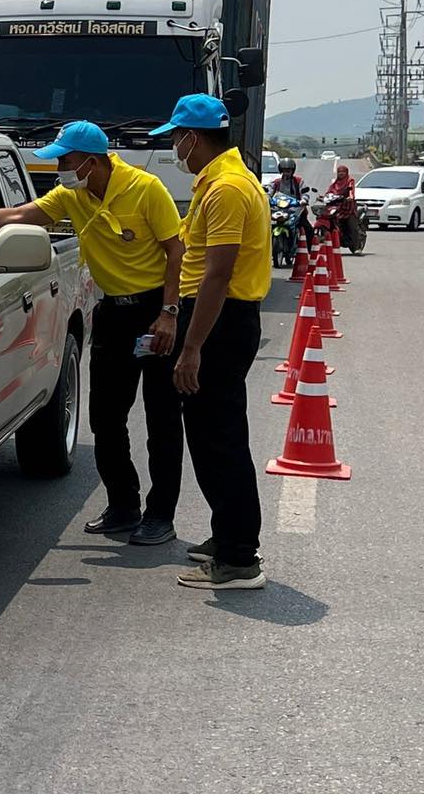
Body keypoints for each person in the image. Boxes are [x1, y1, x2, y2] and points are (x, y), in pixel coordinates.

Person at [0, 120, 186, 545]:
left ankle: (160, 515)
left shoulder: (147, 189)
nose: (60, 170)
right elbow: (18, 215)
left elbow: (175, 250)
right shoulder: (73, 194)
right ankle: (123, 506)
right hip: (113, 313)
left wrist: (168, 313)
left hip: (153, 312)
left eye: (65, 161)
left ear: (92, 161)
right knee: (106, 418)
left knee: (162, 419)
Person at [151, 95, 270, 590]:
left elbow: (219, 274)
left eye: (176, 138)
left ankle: (239, 558)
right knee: (210, 436)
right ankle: (228, 539)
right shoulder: (220, 182)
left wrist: (193, 346)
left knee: (219, 440)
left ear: (193, 138)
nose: (175, 148)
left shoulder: (226, 189)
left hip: (222, 322)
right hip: (220, 319)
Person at [269, 157, 314, 251]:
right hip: (278, 210)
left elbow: (305, 192)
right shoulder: (276, 182)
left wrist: (304, 200)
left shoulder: (298, 181)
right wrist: (266, 198)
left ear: (292, 171)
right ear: (281, 171)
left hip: (295, 210)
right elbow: (269, 192)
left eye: (288, 170)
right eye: (284, 170)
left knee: (308, 229)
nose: (286, 173)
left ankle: (311, 252)